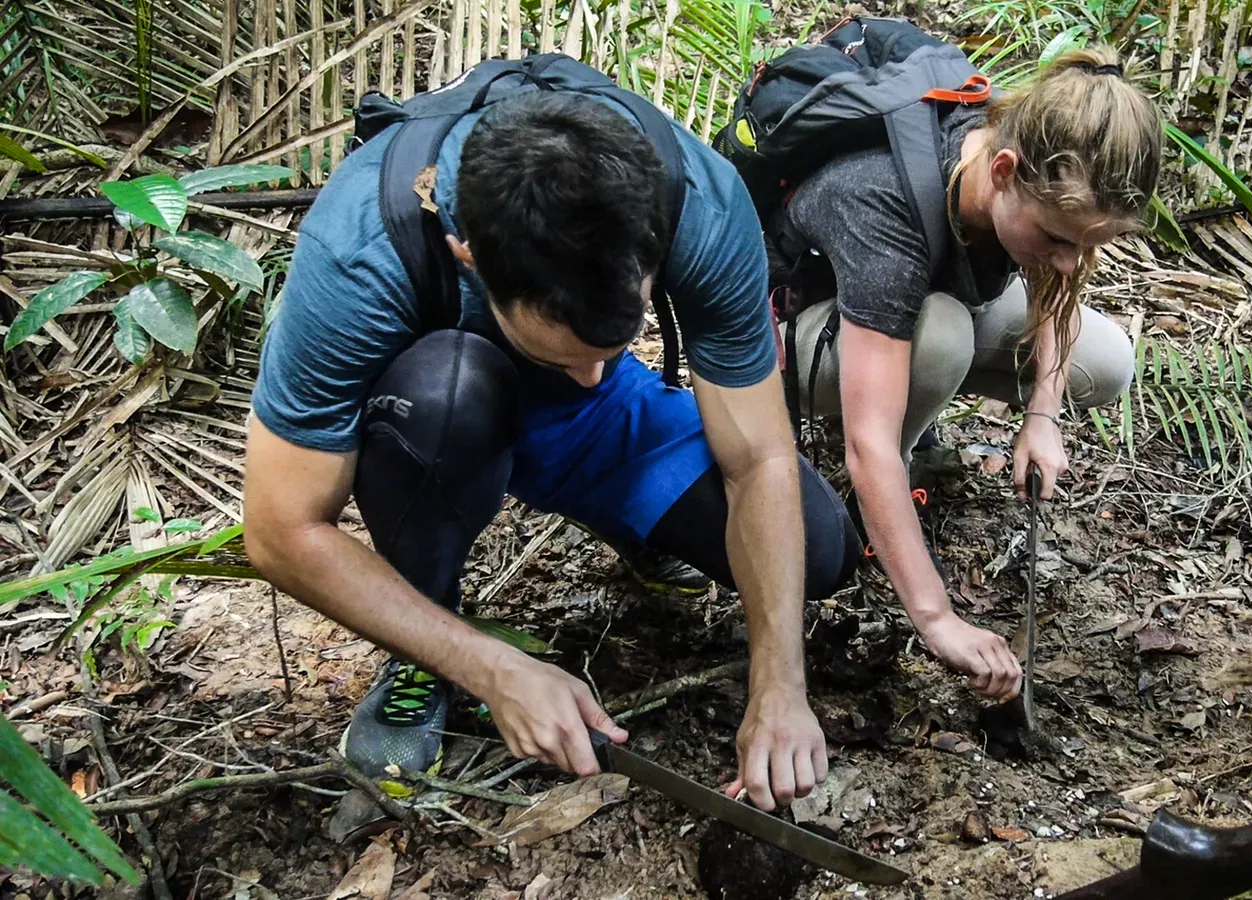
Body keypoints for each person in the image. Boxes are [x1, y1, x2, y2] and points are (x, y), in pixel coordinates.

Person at [242, 82, 860, 811]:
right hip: (444, 418)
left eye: (613, 342)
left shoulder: (701, 205)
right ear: (467, 256)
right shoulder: (362, 250)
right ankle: (426, 645)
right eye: (564, 353)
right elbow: (281, 529)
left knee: (820, 548)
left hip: (596, 423)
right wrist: (490, 667)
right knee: (446, 399)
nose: (589, 368)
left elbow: (759, 458)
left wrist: (779, 683)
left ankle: (625, 511)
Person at [770, 47, 1161, 700]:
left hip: (922, 300)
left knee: (1109, 362)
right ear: (1003, 171)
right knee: (941, 335)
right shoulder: (884, 203)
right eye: (1058, 240)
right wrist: (936, 617)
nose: (1069, 264)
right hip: (795, 341)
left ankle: (909, 441)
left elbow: (1058, 301)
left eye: (1088, 246)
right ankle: (877, 503)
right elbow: (867, 447)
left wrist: (1042, 416)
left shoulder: (1029, 164)